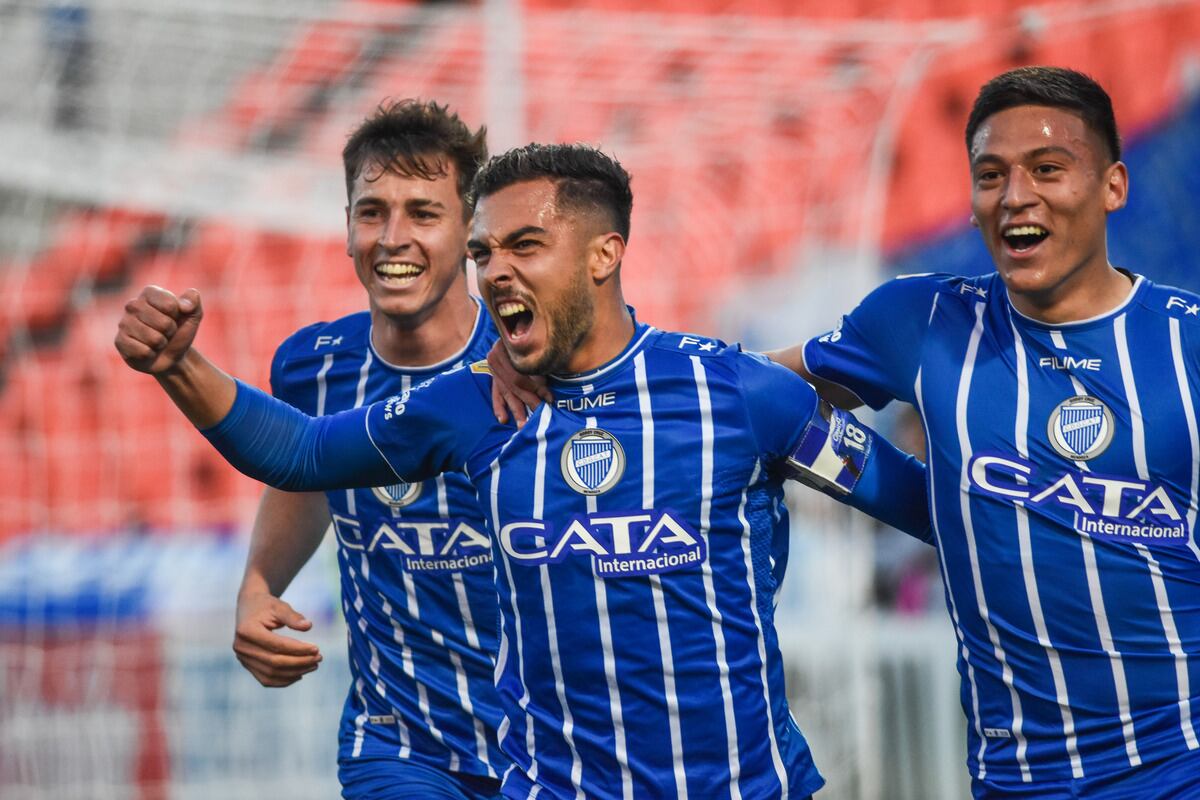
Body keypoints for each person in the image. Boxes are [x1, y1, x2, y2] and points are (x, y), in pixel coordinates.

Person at [115, 142, 931, 799]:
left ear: (606, 253)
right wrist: (180, 365)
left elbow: (928, 508)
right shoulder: (473, 407)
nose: (494, 270)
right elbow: (300, 454)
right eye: (482, 252)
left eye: (525, 245)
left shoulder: (743, 395)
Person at [771, 66, 1200, 798]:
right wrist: (538, 366)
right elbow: (744, 391)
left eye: (1048, 169)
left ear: (1113, 187)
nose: (1015, 197)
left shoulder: (1186, 346)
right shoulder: (925, 322)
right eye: (991, 174)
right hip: (1012, 780)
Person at [229, 99, 507, 800]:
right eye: (371, 211)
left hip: (548, 742)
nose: (393, 237)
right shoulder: (312, 367)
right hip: (397, 742)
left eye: (423, 212)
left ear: (470, 229)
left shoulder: (528, 363)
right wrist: (259, 587)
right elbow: (305, 468)